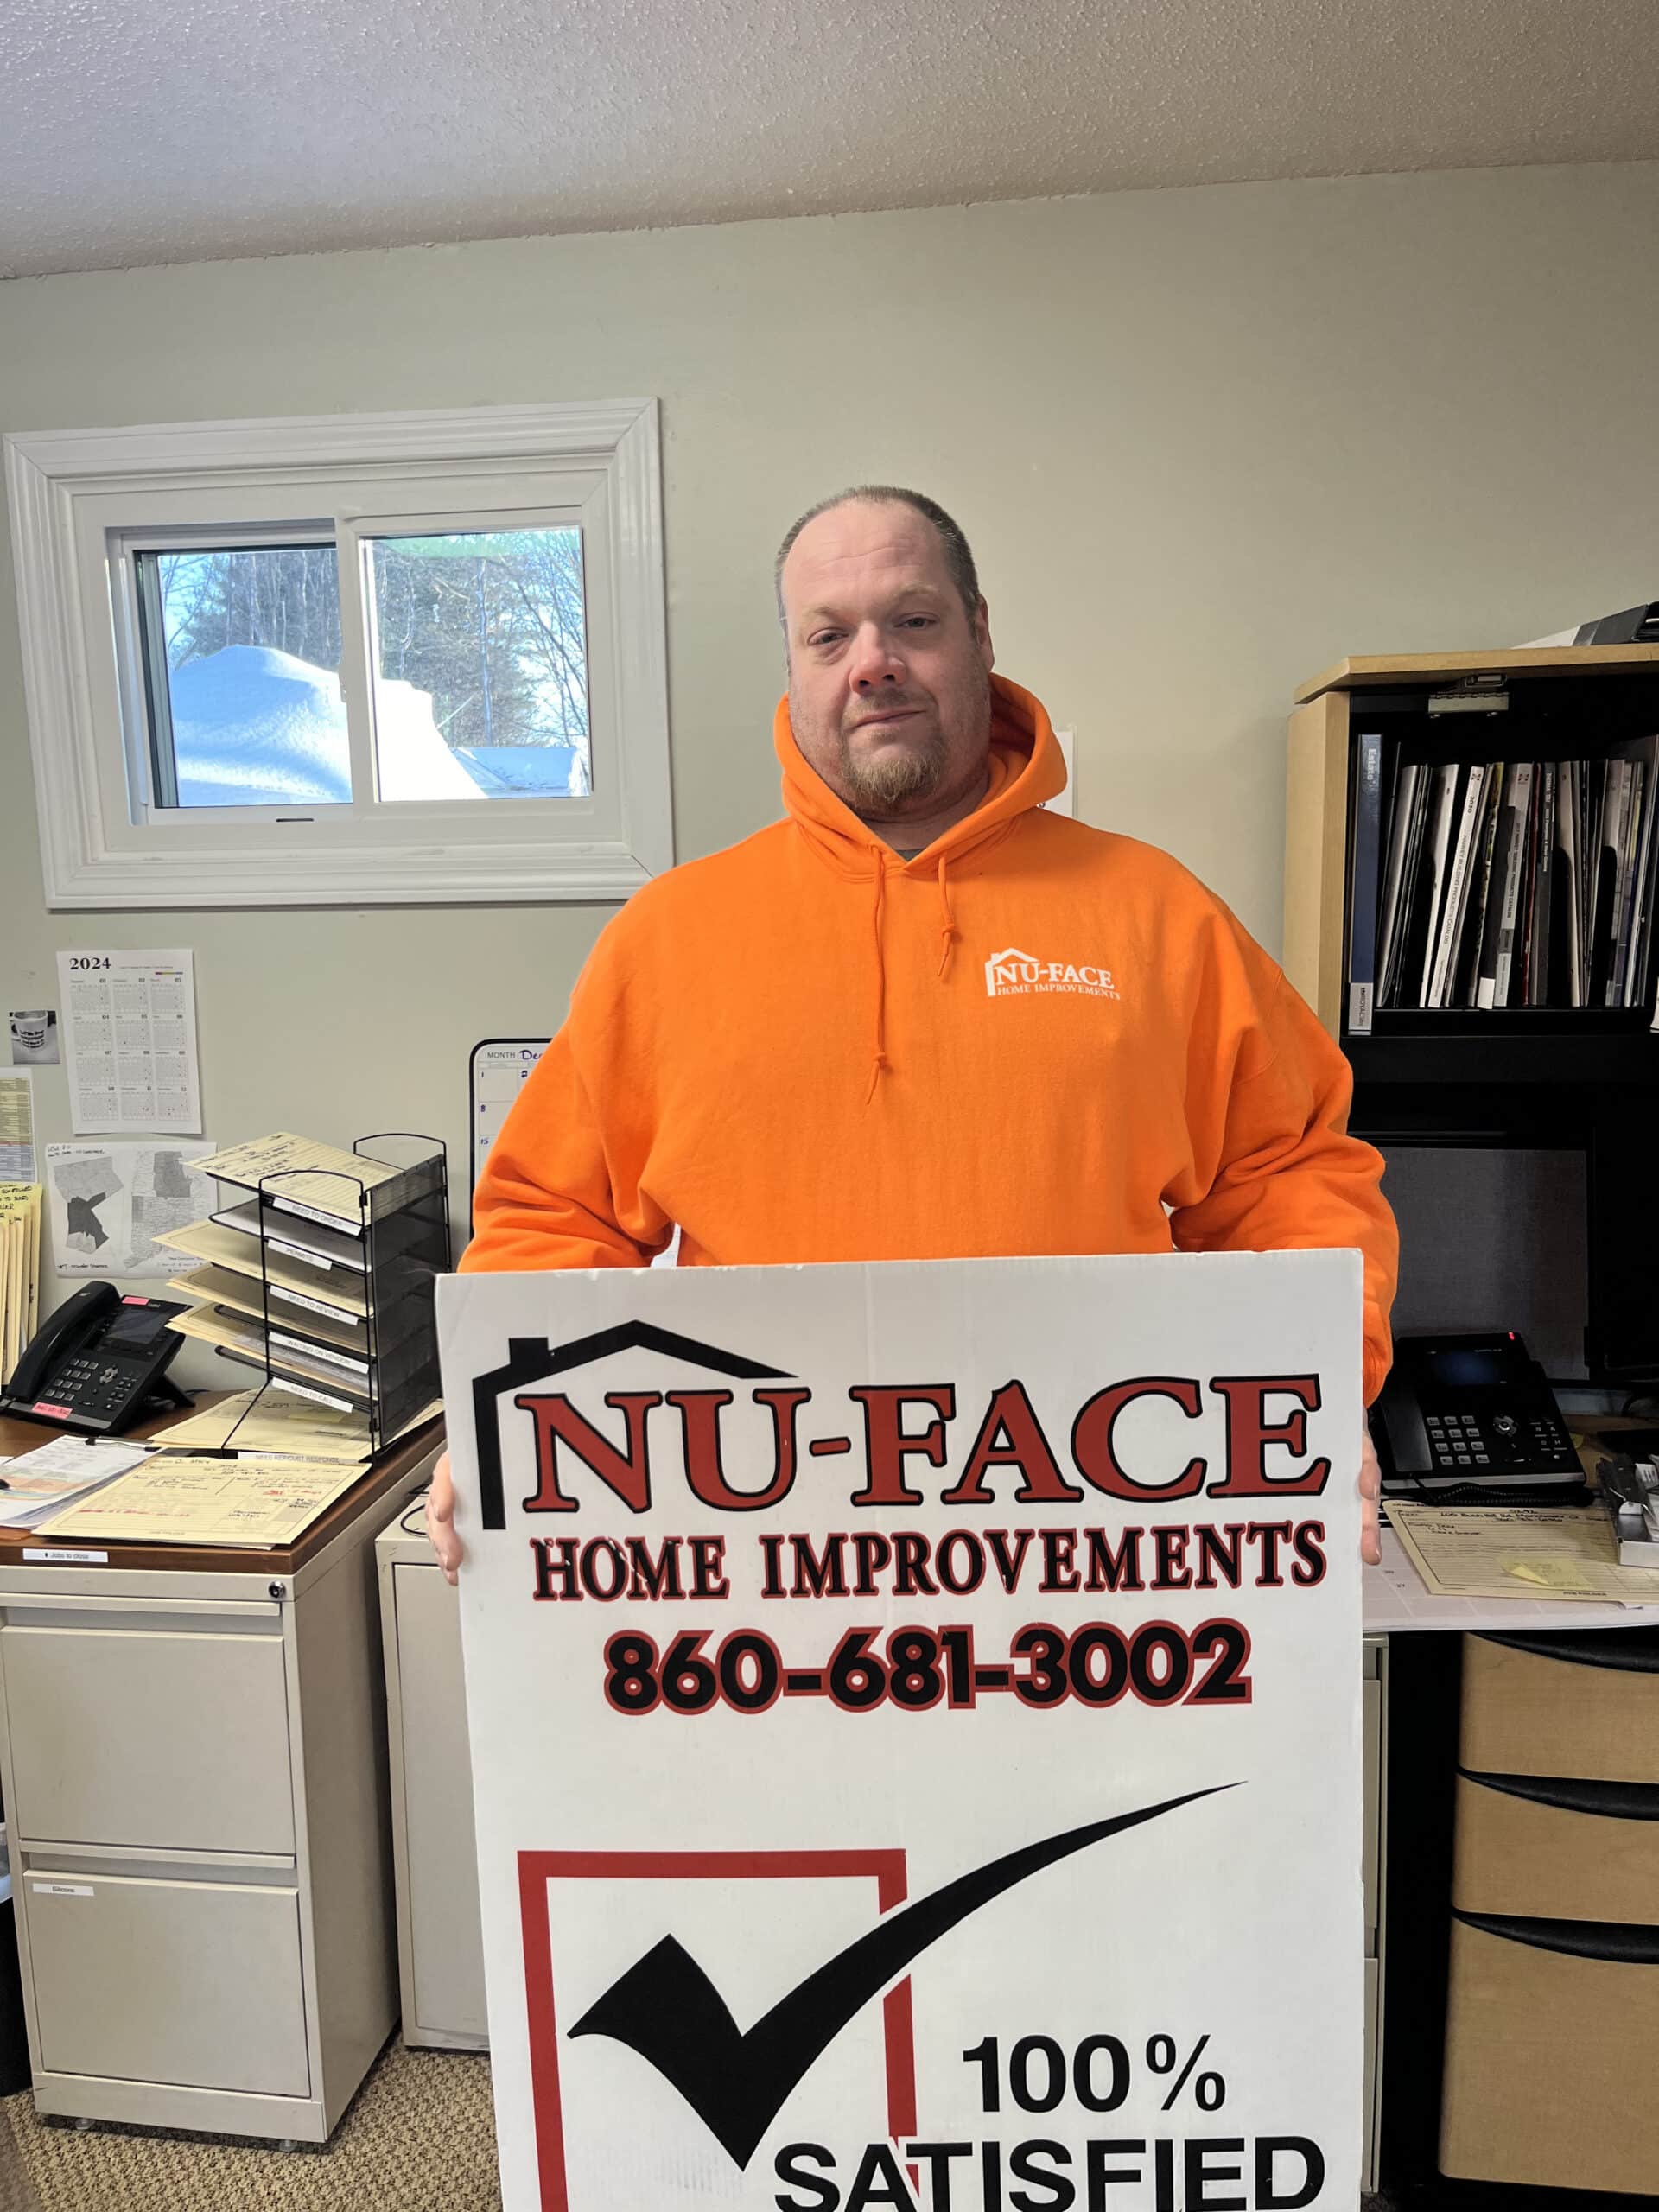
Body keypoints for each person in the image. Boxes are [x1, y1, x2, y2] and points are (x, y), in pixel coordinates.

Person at [427, 486, 1394, 1575]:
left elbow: (1286, 1180)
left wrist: (1317, 1395)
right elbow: (556, 1218)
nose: (872, 662)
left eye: (913, 620)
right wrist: (501, 1421)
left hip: (1090, 1544)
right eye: (829, 636)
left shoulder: (1158, 915)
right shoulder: (668, 938)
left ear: (979, 633)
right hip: (761, 1552)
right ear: (794, 670)